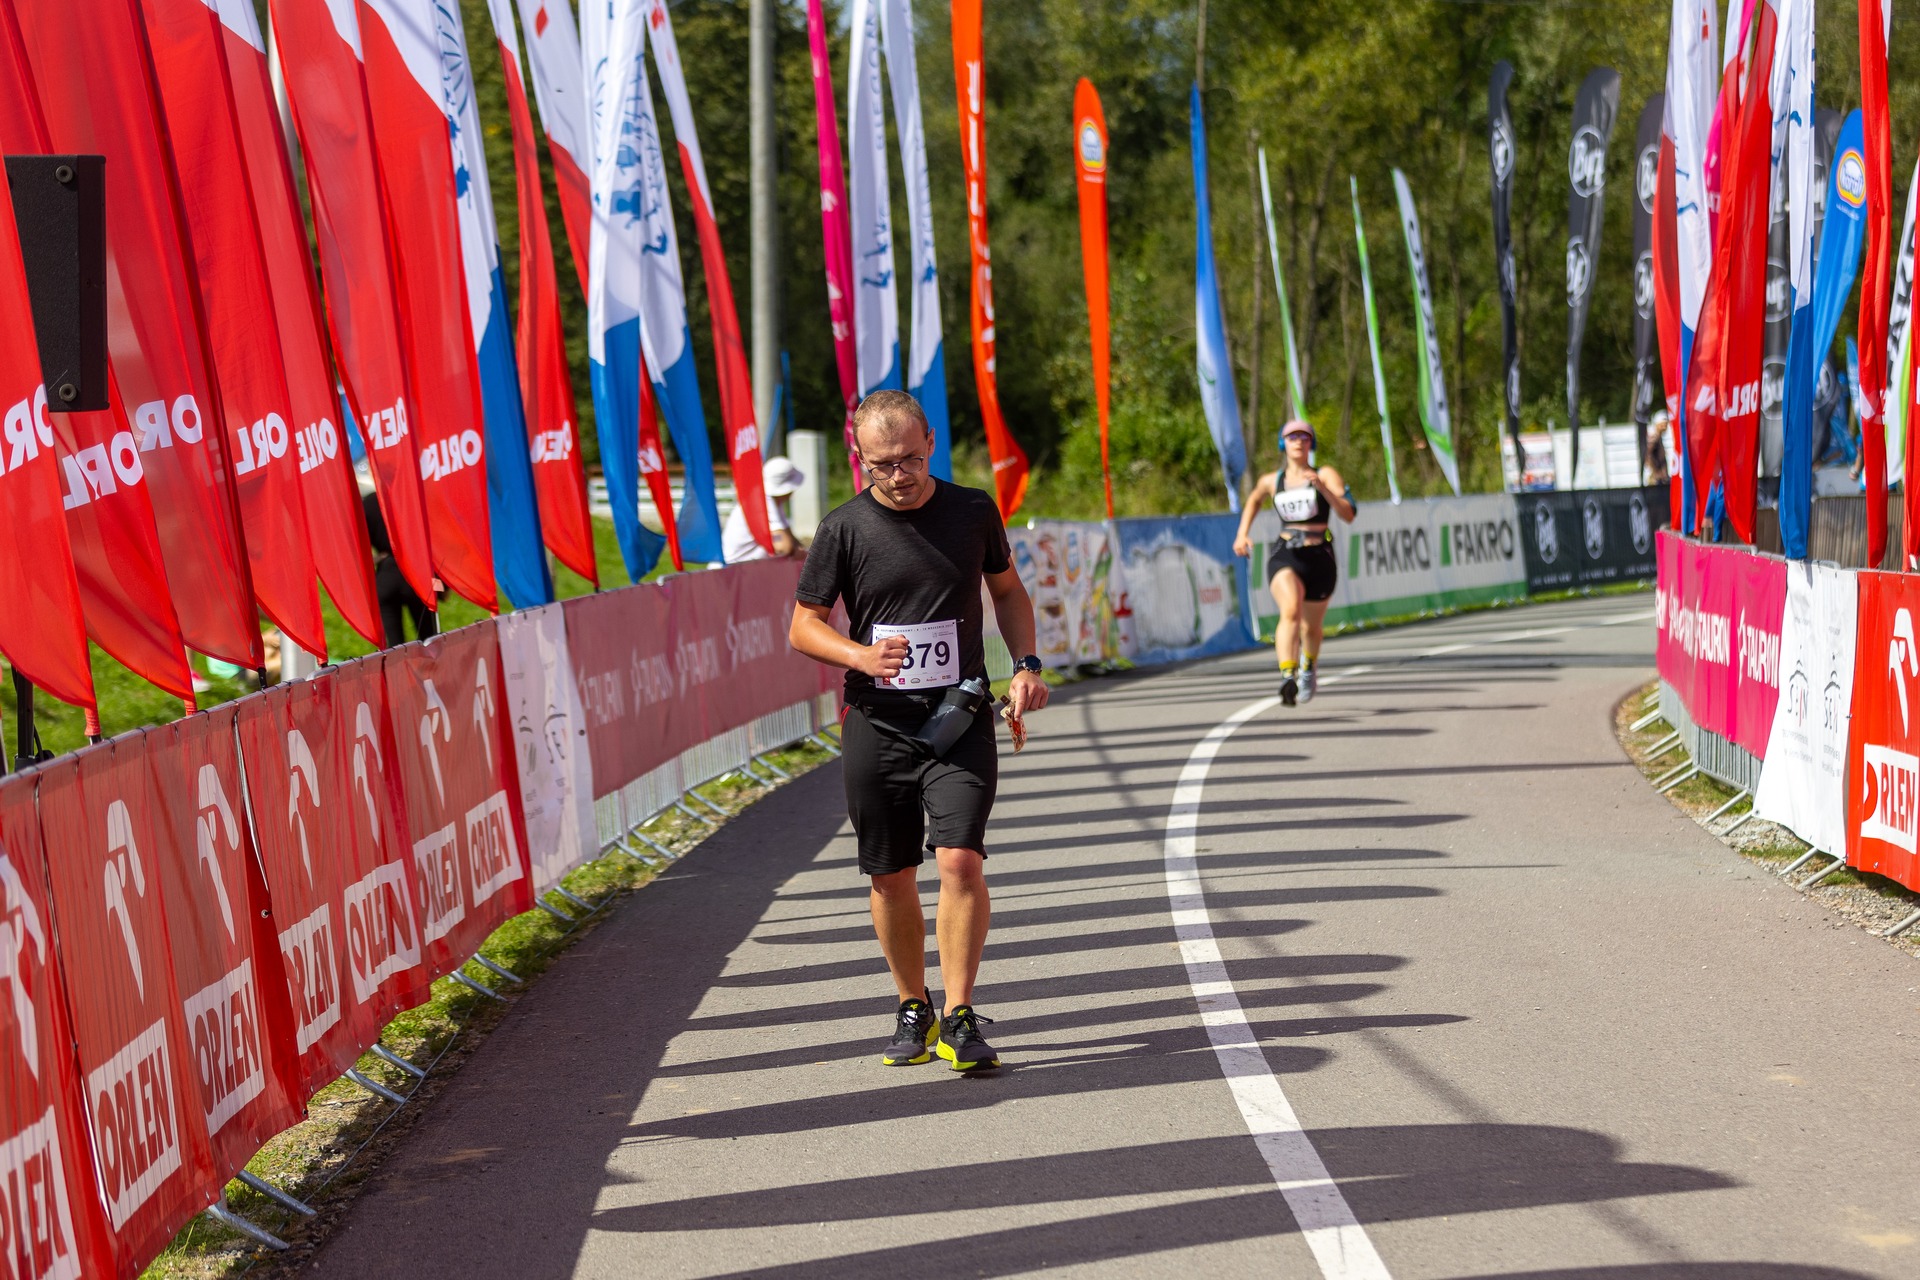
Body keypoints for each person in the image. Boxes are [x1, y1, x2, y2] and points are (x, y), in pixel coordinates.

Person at [789, 389, 1049, 1072]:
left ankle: (960, 1014)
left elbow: (1008, 591)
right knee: (890, 874)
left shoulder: (971, 511)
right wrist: (860, 656)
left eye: (909, 459)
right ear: (860, 459)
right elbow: (803, 626)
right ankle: (914, 1004)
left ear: (931, 442)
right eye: (881, 465)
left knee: (960, 859)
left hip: (959, 714)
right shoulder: (844, 528)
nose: (898, 476)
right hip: (879, 720)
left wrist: (1025, 665)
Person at [1232, 420, 1356, 706]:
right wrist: (1242, 533)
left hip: (1320, 556)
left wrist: (1324, 489)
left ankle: (1308, 667)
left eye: (1304, 437)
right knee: (1290, 609)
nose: (1298, 441)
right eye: (1292, 437)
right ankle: (1287, 674)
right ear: (1283, 443)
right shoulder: (1272, 481)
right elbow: (1254, 499)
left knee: (1311, 628)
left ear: (1311, 443)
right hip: (1286, 553)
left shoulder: (1325, 474)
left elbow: (1348, 514)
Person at [723, 455, 806, 563]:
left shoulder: (771, 501)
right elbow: (783, 547)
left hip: (744, 567)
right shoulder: (764, 503)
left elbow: (790, 538)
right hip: (732, 568)